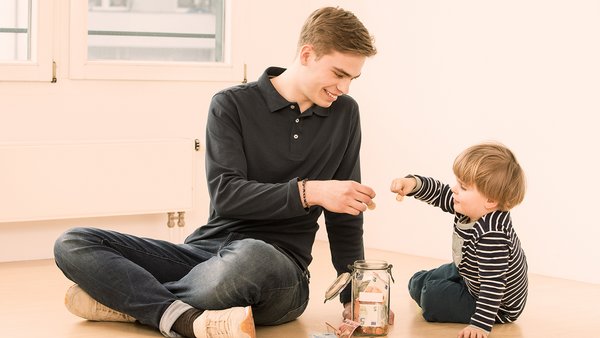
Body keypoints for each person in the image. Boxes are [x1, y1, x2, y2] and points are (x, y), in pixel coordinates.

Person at [53, 6, 377, 338]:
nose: (345, 87)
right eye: (339, 74)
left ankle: (133, 301)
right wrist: (311, 192)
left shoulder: (345, 115)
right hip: (205, 256)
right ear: (307, 55)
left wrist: (355, 296)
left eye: (353, 78)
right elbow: (227, 196)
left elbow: (346, 216)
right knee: (74, 242)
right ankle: (178, 316)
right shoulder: (231, 104)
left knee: (252, 255)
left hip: (279, 273)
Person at [390, 142, 528, 338]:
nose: (454, 189)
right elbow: (440, 193)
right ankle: (427, 286)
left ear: (490, 200)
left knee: (430, 299)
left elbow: (493, 285)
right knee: (417, 283)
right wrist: (414, 184)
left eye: (463, 187)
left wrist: (480, 326)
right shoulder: (469, 207)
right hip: (469, 274)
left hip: (495, 306)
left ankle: (433, 293)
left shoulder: (493, 235)